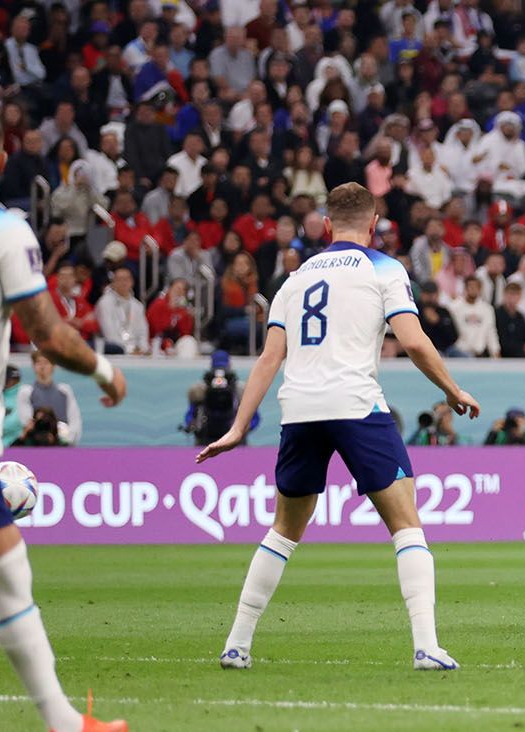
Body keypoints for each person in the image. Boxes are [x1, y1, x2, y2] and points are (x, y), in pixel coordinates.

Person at [196, 182, 480, 671]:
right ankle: (426, 646)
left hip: (300, 410)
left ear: (326, 226)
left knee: (283, 531)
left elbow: (269, 357)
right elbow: (411, 341)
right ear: (373, 225)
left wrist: (239, 427)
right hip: (355, 405)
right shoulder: (385, 268)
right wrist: (451, 390)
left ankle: (237, 644)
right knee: (406, 523)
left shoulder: (295, 277)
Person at [0, 105, 127, 731]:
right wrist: (104, 373)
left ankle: (64, 722)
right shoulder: (2, 228)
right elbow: (47, 333)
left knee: (8, 568)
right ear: (3, 162)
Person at [183, 350, 259, 447]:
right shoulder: (198, 391)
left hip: (234, 439)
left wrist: (244, 428)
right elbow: (191, 414)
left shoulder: (241, 391)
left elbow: (254, 416)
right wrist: (193, 425)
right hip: (206, 438)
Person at [17, 352, 83, 445]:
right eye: (38, 363)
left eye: (46, 362)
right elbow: (25, 421)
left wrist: (67, 439)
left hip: (61, 443)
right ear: (33, 366)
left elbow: (75, 420)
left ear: (53, 366)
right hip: (36, 444)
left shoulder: (65, 391)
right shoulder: (26, 392)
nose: (42, 367)